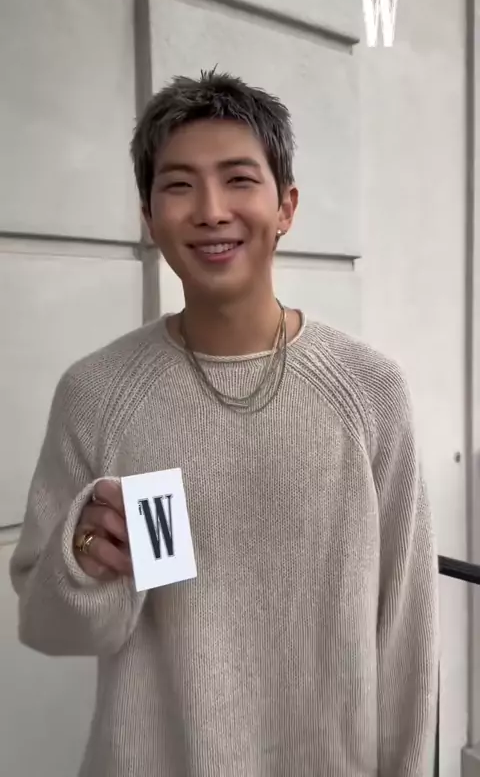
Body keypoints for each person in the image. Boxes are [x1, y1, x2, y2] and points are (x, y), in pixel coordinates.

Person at [10, 69, 439, 777]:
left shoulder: (371, 391)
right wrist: (85, 554)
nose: (211, 211)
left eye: (239, 179)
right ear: (148, 217)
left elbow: (407, 637)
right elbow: (50, 627)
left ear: (286, 205)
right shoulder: (96, 392)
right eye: (179, 185)